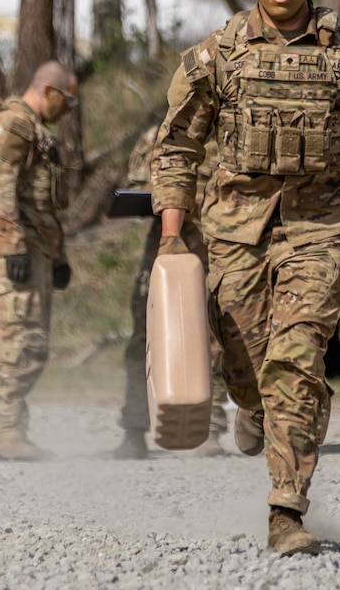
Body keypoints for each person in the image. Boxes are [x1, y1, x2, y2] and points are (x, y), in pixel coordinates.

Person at [151, 0, 340, 556]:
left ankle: (285, 511)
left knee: (297, 361)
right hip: (234, 232)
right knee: (245, 370)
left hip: (319, 228)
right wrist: (171, 234)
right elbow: (178, 144)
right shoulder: (217, 55)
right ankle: (251, 411)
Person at [0, 60, 79, 461]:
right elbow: (0, 188)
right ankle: (4, 433)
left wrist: (58, 257)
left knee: (33, 340)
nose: (68, 111)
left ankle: (11, 429)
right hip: (15, 248)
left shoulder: (35, 131)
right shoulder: (15, 125)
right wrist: (11, 244)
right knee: (20, 338)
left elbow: (42, 204)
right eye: (66, 101)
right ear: (48, 90)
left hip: (36, 247)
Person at [112, 123, 230, 459]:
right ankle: (134, 429)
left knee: (213, 340)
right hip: (166, 253)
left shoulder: (233, 130)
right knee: (144, 339)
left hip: (218, 251)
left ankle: (208, 428)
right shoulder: (160, 134)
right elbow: (138, 188)